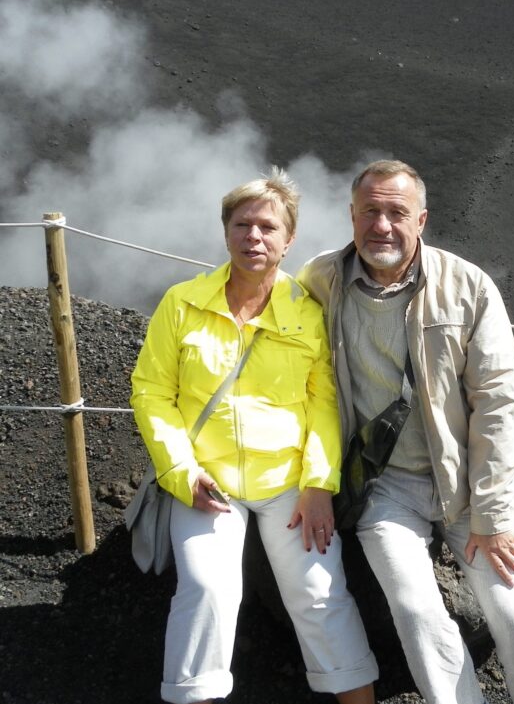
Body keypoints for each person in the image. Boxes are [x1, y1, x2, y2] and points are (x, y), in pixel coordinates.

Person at [299, 160, 514, 704]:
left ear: (422, 220)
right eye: (370, 212)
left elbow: (500, 406)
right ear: (351, 215)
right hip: (384, 489)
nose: (381, 225)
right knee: (415, 608)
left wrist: (496, 519)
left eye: (396, 213)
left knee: (513, 609)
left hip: (464, 485)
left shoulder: (468, 288)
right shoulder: (321, 281)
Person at [131, 169, 377, 704]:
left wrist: (318, 485)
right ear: (226, 232)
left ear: (289, 240)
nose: (254, 237)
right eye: (242, 224)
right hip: (206, 480)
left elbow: (324, 404)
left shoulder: (307, 314)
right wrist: (180, 472)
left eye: (268, 227)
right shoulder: (182, 303)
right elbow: (151, 392)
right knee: (207, 589)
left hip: (288, 481)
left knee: (318, 591)